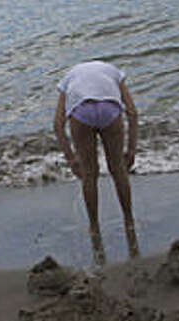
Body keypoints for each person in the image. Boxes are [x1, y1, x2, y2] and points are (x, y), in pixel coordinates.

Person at [53, 60, 139, 265]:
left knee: (89, 174)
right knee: (118, 169)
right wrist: (132, 149)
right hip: (110, 110)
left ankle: (94, 226)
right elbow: (132, 112)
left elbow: (57, 125)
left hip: (81, 113)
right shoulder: (114, 72)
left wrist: (71, 159)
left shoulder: (68, 78)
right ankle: (128, 220)